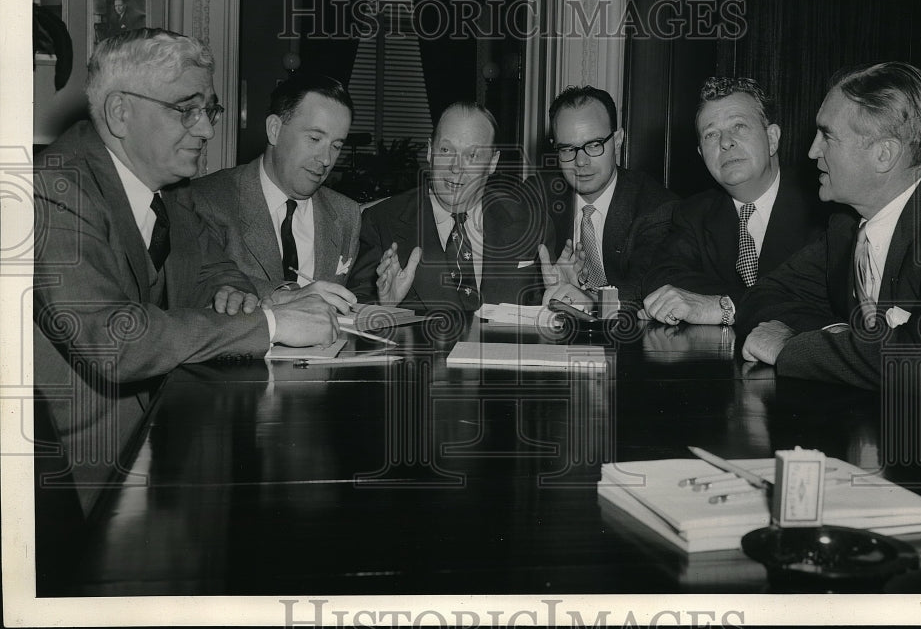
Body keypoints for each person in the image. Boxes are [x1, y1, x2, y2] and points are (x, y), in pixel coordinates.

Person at [33, 28, 340, 516]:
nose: (206, 129)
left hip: (162, 441)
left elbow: (214, 268)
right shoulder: (53, 192)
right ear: (120, 112)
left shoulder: (167, 189)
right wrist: (270, 324)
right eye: (185, 109)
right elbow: (116, 339)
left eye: (209, 110)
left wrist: (237, 293)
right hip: (72, 480)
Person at [738, 62, 921, 389]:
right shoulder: (846, 228)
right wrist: (840, 337)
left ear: (884, 155)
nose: (811, 151)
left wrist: (789, 347)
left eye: (827, 136)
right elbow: (763, 296)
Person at [641, 76, 823, 326]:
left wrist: (726, 306)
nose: (725, 142)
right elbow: (661, 278)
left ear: (772, 138)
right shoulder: (693, 213)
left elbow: (821, 302)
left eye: (739, 126)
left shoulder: (822, 207)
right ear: (701, 155)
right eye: (711, 134)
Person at [350, 102, 553, 311]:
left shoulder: (532, 222)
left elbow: (553, 308)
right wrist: (384, 306)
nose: (456, 168)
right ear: (430, 152)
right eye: (446, 150)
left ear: (493, 162)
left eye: (472, 156)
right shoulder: (380, 221)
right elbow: (354, 306)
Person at [189, 72, 361, 312]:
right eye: (314, 138)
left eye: (336, 146)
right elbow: (199, 290)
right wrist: (290, 296)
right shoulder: (205, 200)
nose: (325, 159)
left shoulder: (346, 215)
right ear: (274, 130)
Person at [525, 85, 677, 308]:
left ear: (617, 140)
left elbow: (646, 290)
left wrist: (586, 299)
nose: (580, 162)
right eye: (567, 149)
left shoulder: (656, 207)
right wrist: (550, 290)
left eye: (594, 145)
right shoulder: (537, 197)